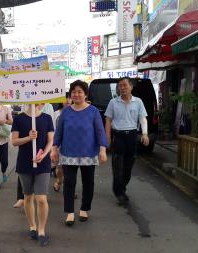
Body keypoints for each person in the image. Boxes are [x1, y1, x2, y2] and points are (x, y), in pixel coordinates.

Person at [51, 80, 108, 226]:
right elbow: (59, 133)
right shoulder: (66, 112)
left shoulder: (93, 111)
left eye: (79, 92)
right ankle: (69, 212)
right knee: (69, 183)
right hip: (69, 153)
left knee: (88, 183)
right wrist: (54, 148)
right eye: (73, 92)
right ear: (70, 95)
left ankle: (84, 209)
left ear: (85, 94)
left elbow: (100, 131)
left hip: (89, 153)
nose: (76, 94)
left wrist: (102, 149)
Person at [11, 103, 54, 247]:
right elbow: (14, 141)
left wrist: (45, 154)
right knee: (28, 196)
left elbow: (50, 140)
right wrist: (28, 138)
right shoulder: (19, 119)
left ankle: (42, 230)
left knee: (41, 198)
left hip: (43, 163)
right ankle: (32, 226)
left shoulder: (47, 118)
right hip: (24, 163)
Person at [104, 77, 149, 206]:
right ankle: (119, 193)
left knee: (128, 167)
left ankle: (121, 187)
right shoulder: (113, 102)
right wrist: (107, 137)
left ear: (131, 87)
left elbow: (143, 118)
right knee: (117, 166)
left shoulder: (138, 102)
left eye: (124, 85)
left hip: (132, 136)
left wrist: (145, 134)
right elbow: (108, 120)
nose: (122, 88)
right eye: (120, 86)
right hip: (118, 136)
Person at [52, 93, 72, 192]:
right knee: (59, 167)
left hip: (71, 144)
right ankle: (59, 181)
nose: (68, 100)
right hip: (58, 144)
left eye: (69, 98)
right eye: (65, 98)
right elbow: (51, 130)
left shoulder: (75, 112)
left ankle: (69, 190)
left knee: (70, 168)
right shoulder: (55, 114)